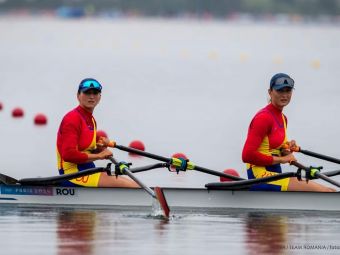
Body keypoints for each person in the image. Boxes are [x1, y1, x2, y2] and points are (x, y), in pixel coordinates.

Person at [242, 73, 335, 192]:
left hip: (274, 175)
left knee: (330, 190)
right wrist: (282, 159)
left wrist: (285, 149)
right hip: (259, 177)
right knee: (326, 192)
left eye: (288, 91)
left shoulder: (283, 118)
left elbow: (273, 150)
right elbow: (247, 155)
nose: (285, 95)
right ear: (270, 92)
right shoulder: (263, 118)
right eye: (280, 91)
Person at [56, 78, 138, 188]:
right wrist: (99, 156)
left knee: (134, 184)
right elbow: (68, 155)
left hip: (88, 170)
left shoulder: (91, 120)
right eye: (87, 92)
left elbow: (85, 144)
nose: (91, 96)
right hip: (72, 175)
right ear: (78, 95)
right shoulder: (72, 119)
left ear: (100, 97)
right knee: (133, 187)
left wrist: (100, 146)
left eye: (95, 93)